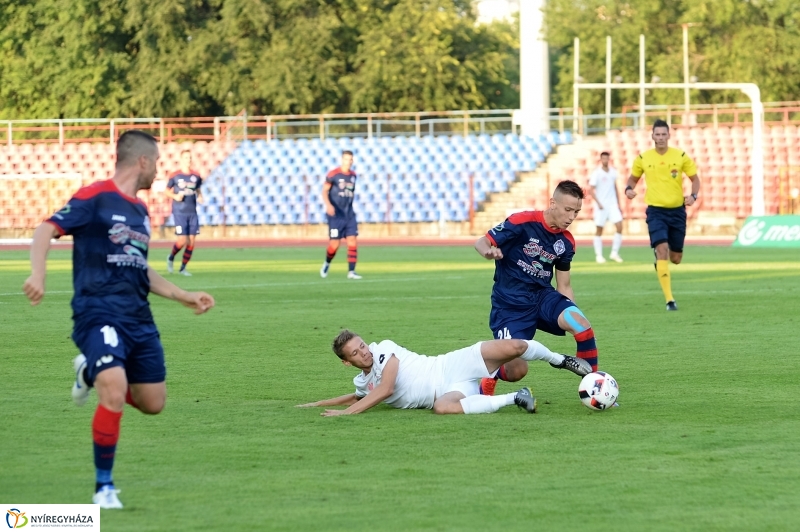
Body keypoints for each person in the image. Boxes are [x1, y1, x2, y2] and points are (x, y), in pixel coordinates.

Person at [22, 130, 216, 509]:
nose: (158, 170)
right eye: (156, 162)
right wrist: (38, 275)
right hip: (97, 312)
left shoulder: (140, 211)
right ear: (142, 161)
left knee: (153, 402)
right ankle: (104, 488)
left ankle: (88, 371)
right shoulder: (94, 197)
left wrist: (183, 295)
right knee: (113, 389)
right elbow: (46, 229)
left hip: (138, 318)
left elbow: (139, 266)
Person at [473, 180, 597, 396]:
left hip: (542, 298)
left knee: (582, 326)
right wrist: (488, 252)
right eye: (568, 210)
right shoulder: (522, 222)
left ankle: (594, 388)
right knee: (517, 370)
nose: (571, 217)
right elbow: (482, 242)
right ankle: (490, 375)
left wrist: (573, 312)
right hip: (509, 304)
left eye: (576, 212)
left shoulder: (566, 242)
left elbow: (564, 284)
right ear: (552, 203)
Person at [297, 330, 589, 416]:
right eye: (355, 353)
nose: (364, 352)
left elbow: (385, 389)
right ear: (347, 362)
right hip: (447, 392)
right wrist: (318, 404)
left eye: (362, 346)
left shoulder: (383, 349)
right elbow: (357, 395)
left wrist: (347, 414)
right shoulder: (362, 381)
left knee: (515, 347)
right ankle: (516, 397)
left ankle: (558, 359)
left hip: (449, 365)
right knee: (442, 408)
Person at [625, 119, 700, 311]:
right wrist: (628, 189)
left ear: (669, 135)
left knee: (676, 258)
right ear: (652, 136)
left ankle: (661, 263)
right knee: (662, 249)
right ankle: (670, 300)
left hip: (677, 212)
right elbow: (632, 179)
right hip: (656, 211)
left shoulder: (680, 156)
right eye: (657, 134)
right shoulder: (643, 158)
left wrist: (693, 195)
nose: (660, 138)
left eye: (663, 134)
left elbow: (695, 179)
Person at [320, 150, 361, 279]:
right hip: (335, 215)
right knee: (334, 244)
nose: (348, 162)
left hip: (349, 214)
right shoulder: (333, 175)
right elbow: (324, 191)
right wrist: (328, 205)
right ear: (342, 160)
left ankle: (351, 272)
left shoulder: (353, 175)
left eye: (350, 159)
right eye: (346, 159)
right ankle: (327, 262)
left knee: (352, 240)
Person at [165, 149, 203, 276]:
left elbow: (198, 189)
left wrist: (200, 196)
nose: (189, 160)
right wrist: (175, 196)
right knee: (182, 240)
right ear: (181, 160)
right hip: (179, 211)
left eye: (190, 157)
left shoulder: (196, 176)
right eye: (186, 157)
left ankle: (183, 268)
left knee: (191, 241)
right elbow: (166, 191)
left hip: (192, 211)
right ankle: (171, 257)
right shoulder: (175, 175)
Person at [588, 151, 624, 263]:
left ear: (609, 159)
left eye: (607, 158)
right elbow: (590, 189)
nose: (605, 160)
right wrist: (598, 203)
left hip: (612, 204)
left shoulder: (613, 172)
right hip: (601, 206)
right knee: (599, 229)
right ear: (601, 159)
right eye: (603, 158)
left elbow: (615, 187)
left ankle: (614, 253)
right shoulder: (597, 173)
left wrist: (619, 203)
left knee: (619, 226)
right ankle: (599, 255)